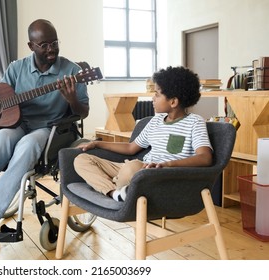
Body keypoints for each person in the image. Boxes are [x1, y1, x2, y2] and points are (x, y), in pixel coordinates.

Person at [0, 19, 89, 241]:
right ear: (31, 46)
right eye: (44, 45)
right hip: (16, 125)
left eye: (54, 43)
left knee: (28, 145)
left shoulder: (72, 71)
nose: (51, 49)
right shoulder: (17, 68)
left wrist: (72, 98)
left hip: (48, 129)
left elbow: (83, 111)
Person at [74, 66, 212, 202]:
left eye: (157, 94)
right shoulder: (155, 120)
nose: (153, 98)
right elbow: (131, 148)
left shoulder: (195, 122)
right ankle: (114, 193)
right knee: (82, 160)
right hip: (138, 168)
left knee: (131, 168)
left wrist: (167, 165)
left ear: (173, 101)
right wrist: (97, 143)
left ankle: (117, 185)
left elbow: (205, 158)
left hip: (160, 175)